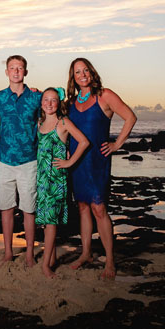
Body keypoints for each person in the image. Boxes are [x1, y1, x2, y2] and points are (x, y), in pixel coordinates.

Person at [66, 57, 137, 280]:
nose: (82, 75)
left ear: (92, 72)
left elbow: (130, 117)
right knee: (83, 208)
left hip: (97, 161)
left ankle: (110, 260)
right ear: (73, 78)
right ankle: (86, 253)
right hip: (77, 162)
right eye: (77, 72)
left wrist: (117, 144)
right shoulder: (71, 103)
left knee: (99, 207)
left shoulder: (104, 95)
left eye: (85, 70)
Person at [0, 55, 42, 267]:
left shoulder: (36, 98)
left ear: (25, 72)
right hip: (3, 159)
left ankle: (30, 253)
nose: (16, 71)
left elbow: (52, 108)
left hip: (29, 160)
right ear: (6, 72)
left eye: (20, 68)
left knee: (29, 208)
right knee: (7, 208)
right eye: (12, 68)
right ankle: (8, 251)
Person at [35, 87, 89, 278]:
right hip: (41, 179)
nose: (49, 103)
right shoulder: (40, 123)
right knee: (45, 222)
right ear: (41, 103)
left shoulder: (63, 122)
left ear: (59, 103)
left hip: (55, 179)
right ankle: (51, 259)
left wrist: (69, 161)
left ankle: (45, 266)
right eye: (46, 100)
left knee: (51, 223)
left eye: (54, 100)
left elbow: (83, 142)